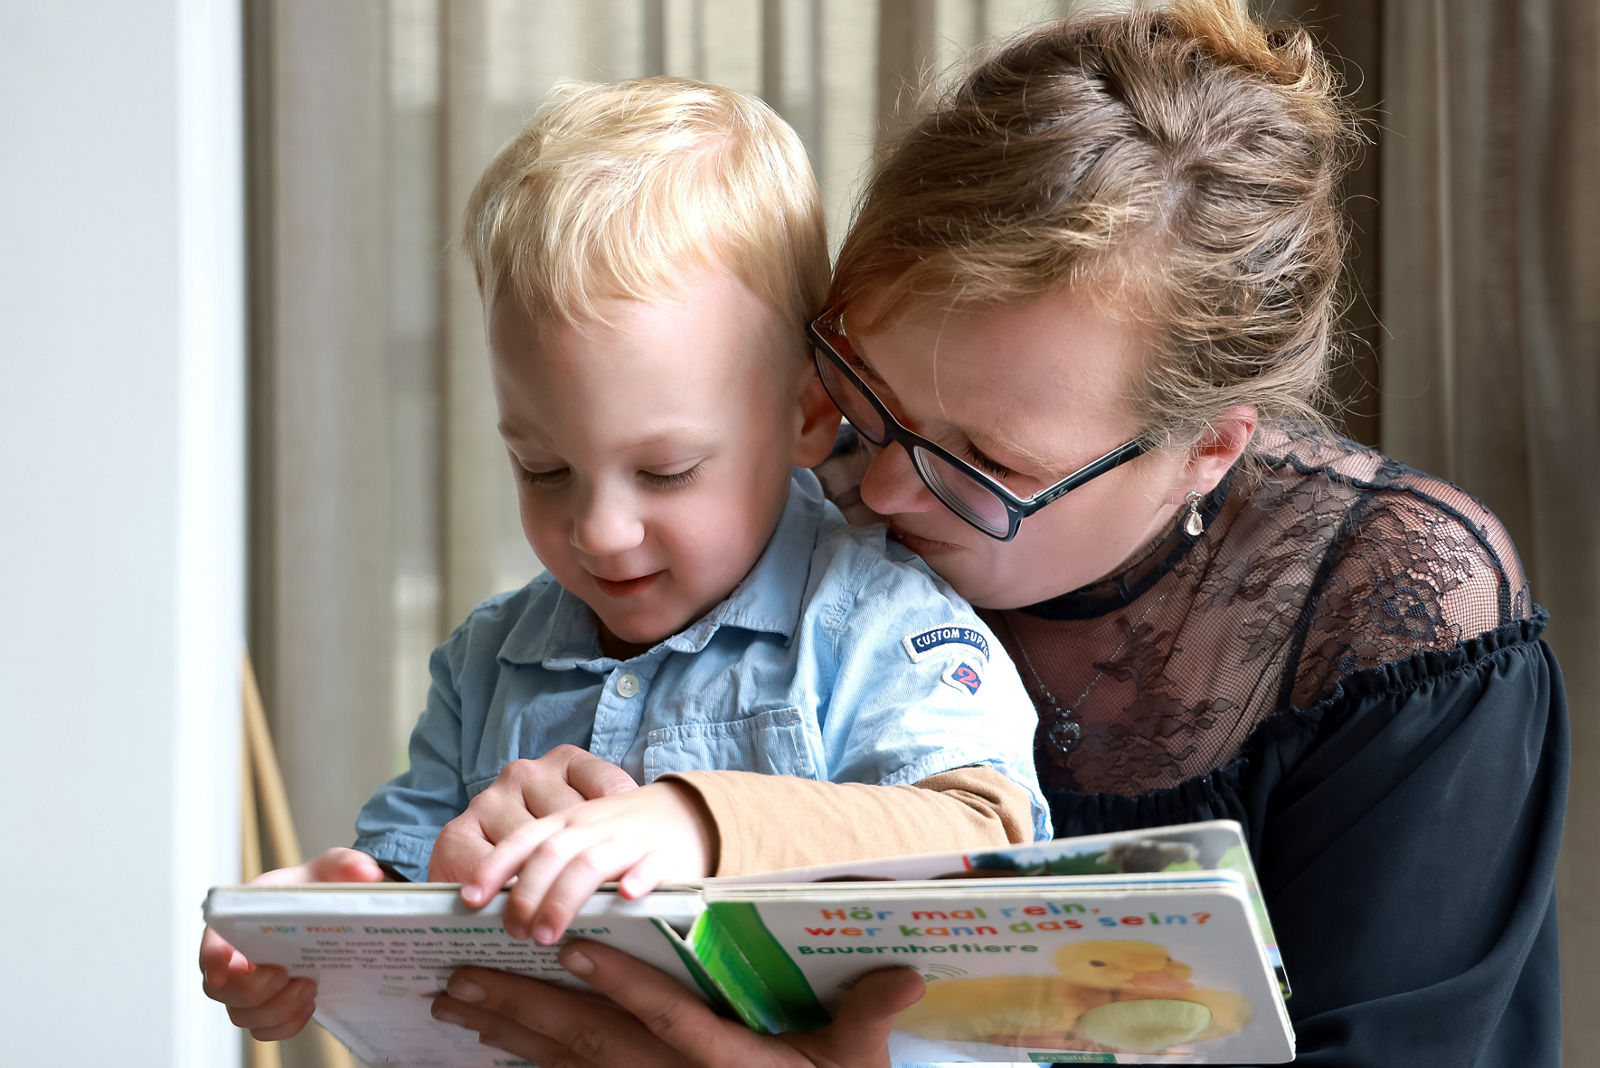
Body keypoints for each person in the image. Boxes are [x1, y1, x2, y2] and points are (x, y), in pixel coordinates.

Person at [423, 3, 1569, 1065]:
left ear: (1209, 449)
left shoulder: (1386, 623)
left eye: (985, 464)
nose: (873, 492)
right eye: (863, 398)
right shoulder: (757, 506)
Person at [199, 76, 1051, 1042]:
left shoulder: (875, 623)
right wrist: (320, 926)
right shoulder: (487, 662)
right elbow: (401, 887)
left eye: (667, 469)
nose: (599, 530)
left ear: (809, 414)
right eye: (543, 466)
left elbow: (988, 842)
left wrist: (700, 824)